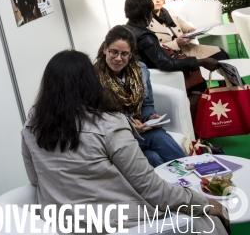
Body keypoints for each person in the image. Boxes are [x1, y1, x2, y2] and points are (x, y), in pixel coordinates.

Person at [22, 50, 229, 233]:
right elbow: (152, 189)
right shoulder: (108, 125)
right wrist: (204, 203)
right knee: (210, 219)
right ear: (90, 82)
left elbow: (35, 179)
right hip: (118, 223)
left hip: (58, 224)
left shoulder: (31, 126)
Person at [94, 26, 186, 167]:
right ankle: (192, 171)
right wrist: (127, 123)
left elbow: (147, 104)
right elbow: (97, 115)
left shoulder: (141, 69)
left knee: (153, 157)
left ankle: (180, 183)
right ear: (105, 49)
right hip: (116, 134)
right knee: (158, 137)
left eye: (124, 54)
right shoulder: (93, 76)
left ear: (131, 54)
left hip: (142, 130)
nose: (118, 58)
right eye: (114, 52)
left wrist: (150, 117)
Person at [124, 0, 219, 93]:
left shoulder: (125, 30)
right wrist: (201, 62)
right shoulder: (145, 37)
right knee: (199, 83)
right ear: (146, 14)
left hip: (139, 79)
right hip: (160, 80)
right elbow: (166, 63)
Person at [145, 0, 228, 60]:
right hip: (169, 56)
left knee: (220, 52)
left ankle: (230, 76)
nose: (158, 0)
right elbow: (153, 48)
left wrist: (190, 30)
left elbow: (181, 24)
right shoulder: (144, 20)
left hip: (186, 49)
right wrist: (176, 43)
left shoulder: (167, 12)